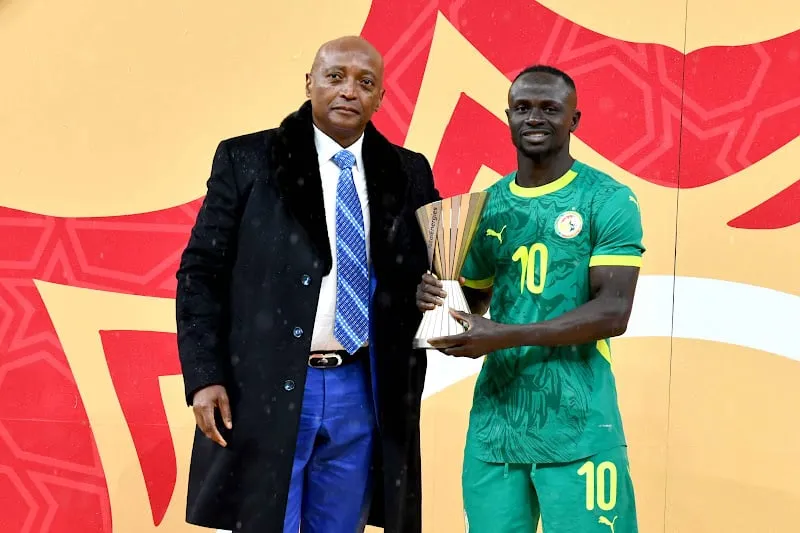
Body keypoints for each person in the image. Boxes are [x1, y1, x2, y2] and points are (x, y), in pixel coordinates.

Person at [176, 36, 439, 533]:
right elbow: (201, 273)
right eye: (335, 77)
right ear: (309, 83)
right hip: (265, 384)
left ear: (381, 98)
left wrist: (434, 293)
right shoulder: (247, 159)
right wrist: (204, 374)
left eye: (365, 83)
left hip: (363, 386)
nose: (349, 91)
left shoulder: (408, 171)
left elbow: (427, 270)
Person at [416, 65, 644, 533]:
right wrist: (439, 300)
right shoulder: (488, 204)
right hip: (496, 429)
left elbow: (613, 312)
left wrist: (504, 336)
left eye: (549, 108)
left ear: (574, 120)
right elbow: (475, 303)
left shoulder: (608, 198)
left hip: (579, 427)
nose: (534, 118)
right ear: (508, 117)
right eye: (522, 108)